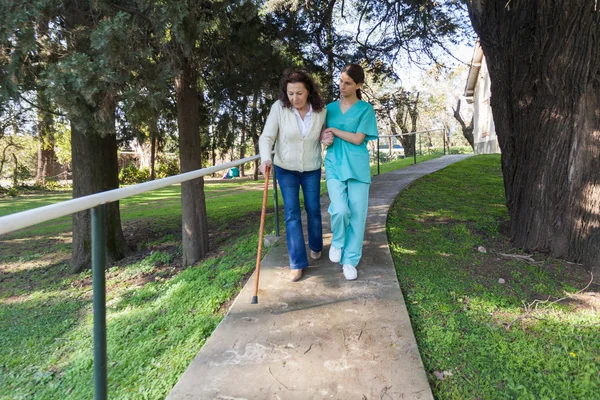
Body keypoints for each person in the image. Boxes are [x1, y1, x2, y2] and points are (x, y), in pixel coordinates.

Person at [259, 70, 327, 282]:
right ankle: (297, 263)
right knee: (292, 213)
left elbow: (325, 132)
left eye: (299, 93)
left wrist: (326, 135)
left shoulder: (320, 110)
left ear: (308, 91)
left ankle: (316, 245)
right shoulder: (279, 108)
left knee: (313, 209)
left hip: (311, 167)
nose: (294, 98)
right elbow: (267, 137)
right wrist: (264, 159)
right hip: (285, 168)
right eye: (290, 93)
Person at [320, 64, 378, 280]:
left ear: (358, 85)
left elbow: (358, 138)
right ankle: (337, 242)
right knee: (340, 210)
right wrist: (323, 137)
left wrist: (334, 130)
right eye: (341, 81)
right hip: (335, 164)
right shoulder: (329, 109)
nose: (342, 86)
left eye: (348, 83)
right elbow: (320, 134)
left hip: (358, 166)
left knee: (357, 215)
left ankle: (350, 260)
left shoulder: (365, 109)